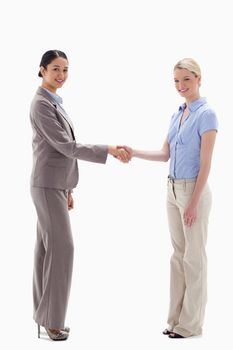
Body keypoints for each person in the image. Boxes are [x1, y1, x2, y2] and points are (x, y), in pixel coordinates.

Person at [30, 50, 130, 341]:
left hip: (54, 186)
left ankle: (46, 317)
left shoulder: (53, 102)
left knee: (47, 250)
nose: (61, 75)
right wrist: (108, 149)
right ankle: (52, 320)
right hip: (47, 185)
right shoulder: (41, 104)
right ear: (42, 70)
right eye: (55, 69)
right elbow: (66, 146)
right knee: (63, 249)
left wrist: (69, 188)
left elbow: (59, 150)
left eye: (65, 70)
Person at [123, 58, 218, 338]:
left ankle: (191, 325)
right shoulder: (177, 114)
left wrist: (193, 202)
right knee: (177, 257)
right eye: (176, 80)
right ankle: (175, 320)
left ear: (199, 78)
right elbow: (165, 154)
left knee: (194, 258)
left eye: (186, 79)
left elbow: (206, 163)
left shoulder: (207, 114)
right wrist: (135, 151)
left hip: (193, 191)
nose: (181, 86)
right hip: (172, 189)